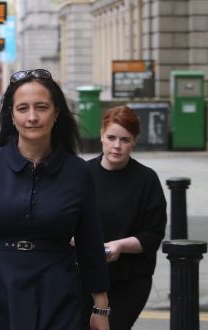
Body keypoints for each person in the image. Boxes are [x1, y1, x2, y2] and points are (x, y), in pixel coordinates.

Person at [0, 69, 110, 330]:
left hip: (57, 291)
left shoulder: (78, 172)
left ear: (56, 113)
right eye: (23, 108)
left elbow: (90, 243)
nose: (32, 117)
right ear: (11, 115)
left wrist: (100, 307)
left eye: (41, 107)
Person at [81, 105, 167, 329]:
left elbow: (153, 233)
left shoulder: (146, 180)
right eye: (111, 137)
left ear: (134, 141)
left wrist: (118, 246)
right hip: (84, 278)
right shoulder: (82, 174)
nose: (117, 146)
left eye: (125, 140)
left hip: (130, 280)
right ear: (101, 135)